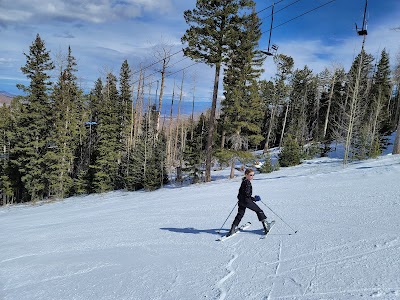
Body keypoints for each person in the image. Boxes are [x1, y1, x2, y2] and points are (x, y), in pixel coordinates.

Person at [227, 168, 269, 236]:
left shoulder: (244, 181)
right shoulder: (247, 183)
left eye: (253, 175)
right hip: (246, 201)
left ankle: (233, 229)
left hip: (241, 201)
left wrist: (240, 198)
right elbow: (247, 195)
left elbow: (241, 193)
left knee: (240, 214)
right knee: (259, 211)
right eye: (250, 175)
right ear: (246, 175)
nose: (252, 176)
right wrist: (255, 199)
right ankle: (266, 226)